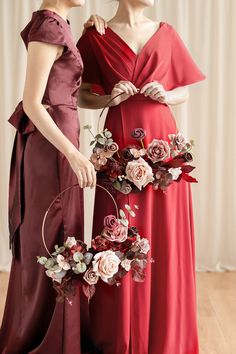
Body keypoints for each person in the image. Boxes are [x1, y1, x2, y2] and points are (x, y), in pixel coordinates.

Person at [77, 0, 205, 353]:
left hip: (163, 145)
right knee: (119, 235)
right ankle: (117, 333)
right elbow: (81, 94)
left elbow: (185, 91)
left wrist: (167, 94)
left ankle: (166, 334)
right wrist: (109, 100)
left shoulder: (165, 33)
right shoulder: (96, 35)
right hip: (118, 144)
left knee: (164, 235)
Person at [0, 2, 105, 353]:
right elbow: (33, 102)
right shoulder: (48, 25)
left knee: (62, 235)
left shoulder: (60, 23)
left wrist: (108, 98)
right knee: (49, 236)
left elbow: (65, 90)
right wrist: (72, 154)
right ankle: (44, 338)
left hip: (59, 140)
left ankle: (65, 335)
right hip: (51, 148)